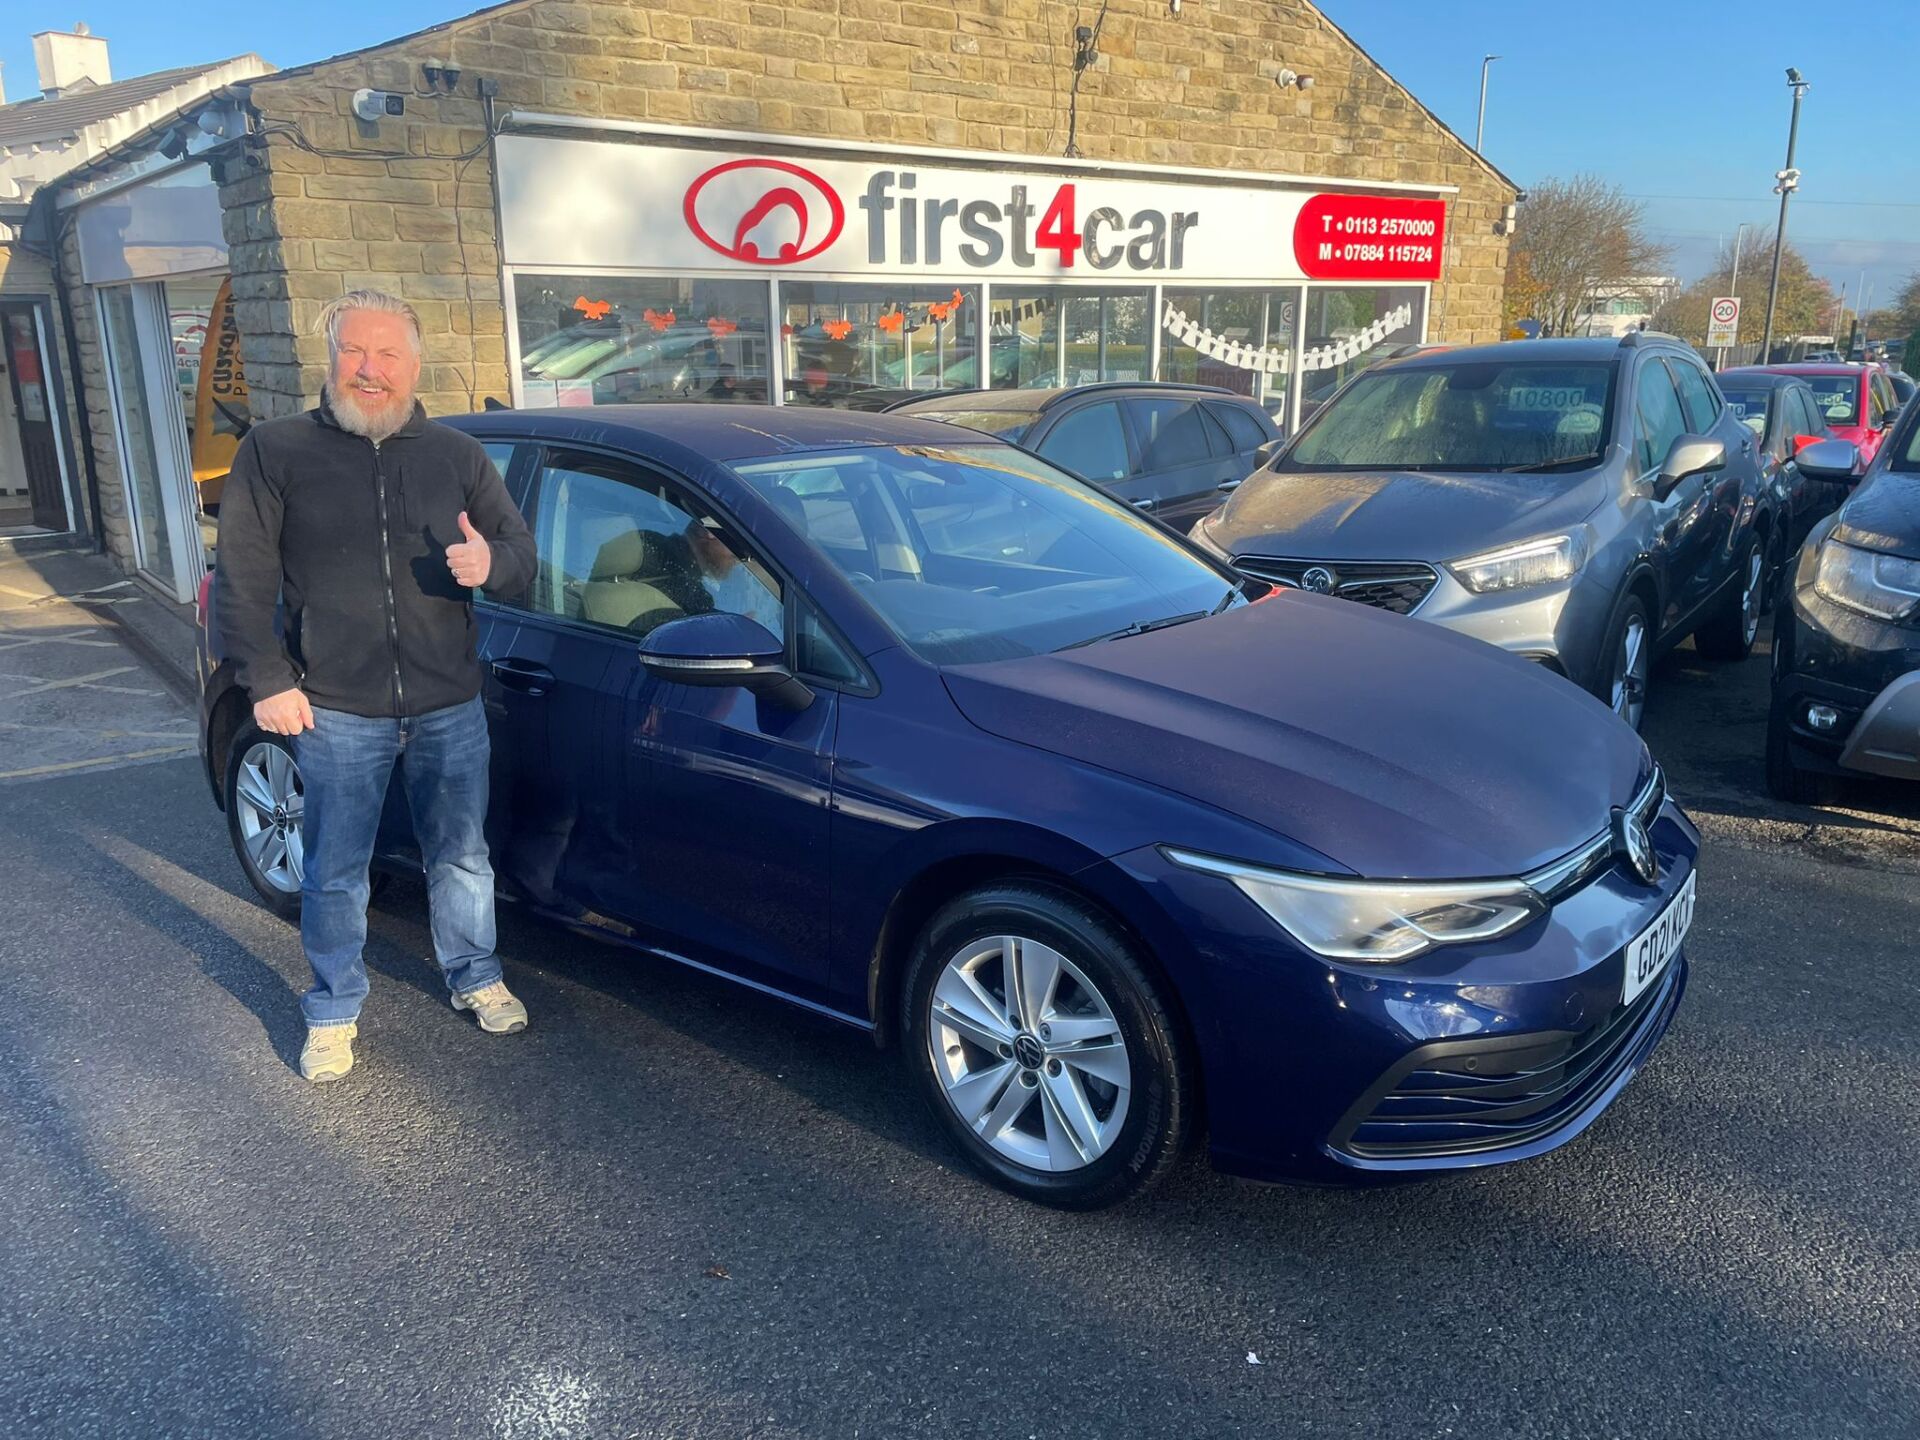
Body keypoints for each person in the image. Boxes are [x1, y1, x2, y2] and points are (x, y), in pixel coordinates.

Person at [214, 290, 537, 1083]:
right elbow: (242, 580)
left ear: (414, 364)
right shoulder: (275, 449)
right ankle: (331, 1006)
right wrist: (267, 680)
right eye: (354, 352)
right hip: (334, 709)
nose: (370, 369)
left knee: (462, 856)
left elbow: (522, 558)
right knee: (335, 869)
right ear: (331, 362)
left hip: (449, 705)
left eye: (387, 354)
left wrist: (490, 566)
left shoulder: (457, 455)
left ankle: (474, 974)